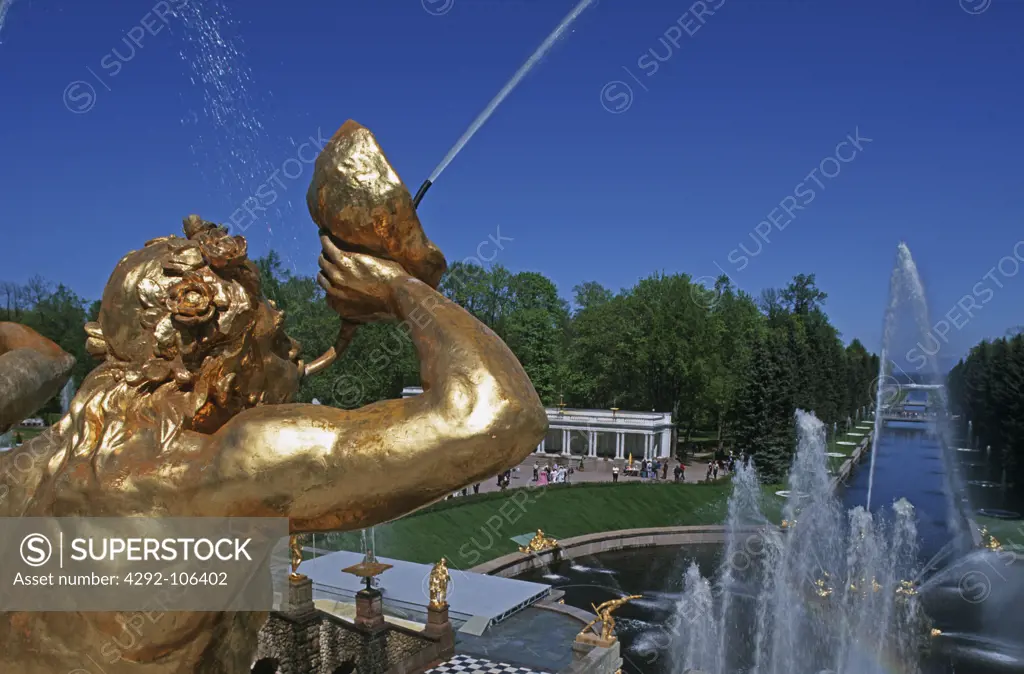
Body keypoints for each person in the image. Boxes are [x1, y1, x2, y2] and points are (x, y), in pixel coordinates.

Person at [0, 212, 548, 672]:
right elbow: (499, 415)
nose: (294, 354)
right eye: (276, 340)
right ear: (226, 361)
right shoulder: (219, 468)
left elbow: (44, 358)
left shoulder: (27, 465)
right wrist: (401, 289)